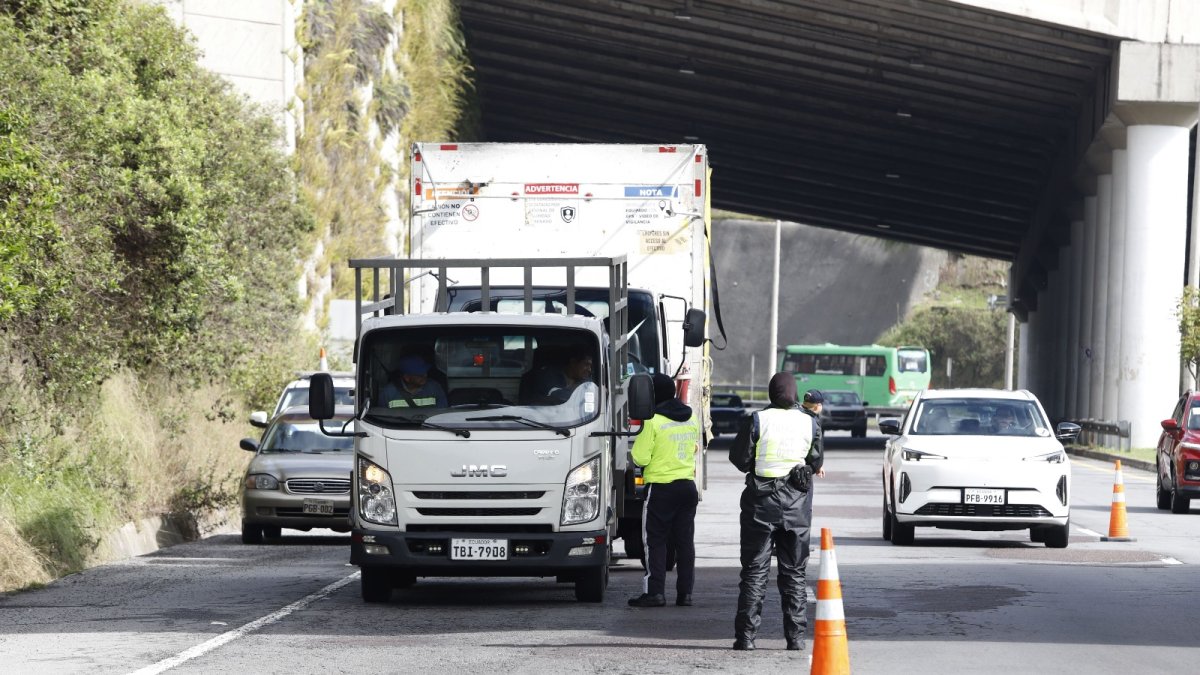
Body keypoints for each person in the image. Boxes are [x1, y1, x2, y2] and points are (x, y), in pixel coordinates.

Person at [728, 372, 824, 652]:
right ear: (794, 394)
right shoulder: (810, 423)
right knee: (794, 572)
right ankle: (795, 638)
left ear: (771, 394)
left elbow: (739, 458)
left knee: (754, 571)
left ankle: (745, 638)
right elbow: (816, 459)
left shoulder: (757, 419)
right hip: (796, 505)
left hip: (760, 503)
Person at [627, 373, 701, 608]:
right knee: (685, 542)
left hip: (661, 488)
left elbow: (640, 457)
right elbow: (694, 448)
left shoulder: (653, 420)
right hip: (687, 487)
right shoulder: (691, 418)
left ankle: (655, 592)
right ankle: (685, 594)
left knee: (655, 542)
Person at [527, 345, 594, 404]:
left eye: (590, 366)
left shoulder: (587, 382)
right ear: (573, 362)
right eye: (586, 364)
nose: (589, 369)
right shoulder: (549, 376)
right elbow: (558, 397)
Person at [381, 355, 447, 408]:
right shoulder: (388, 393)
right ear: (407, 378)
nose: (425, 375)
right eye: (419, 374)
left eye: (425, 372)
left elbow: (442, 415)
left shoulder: (434, 387)